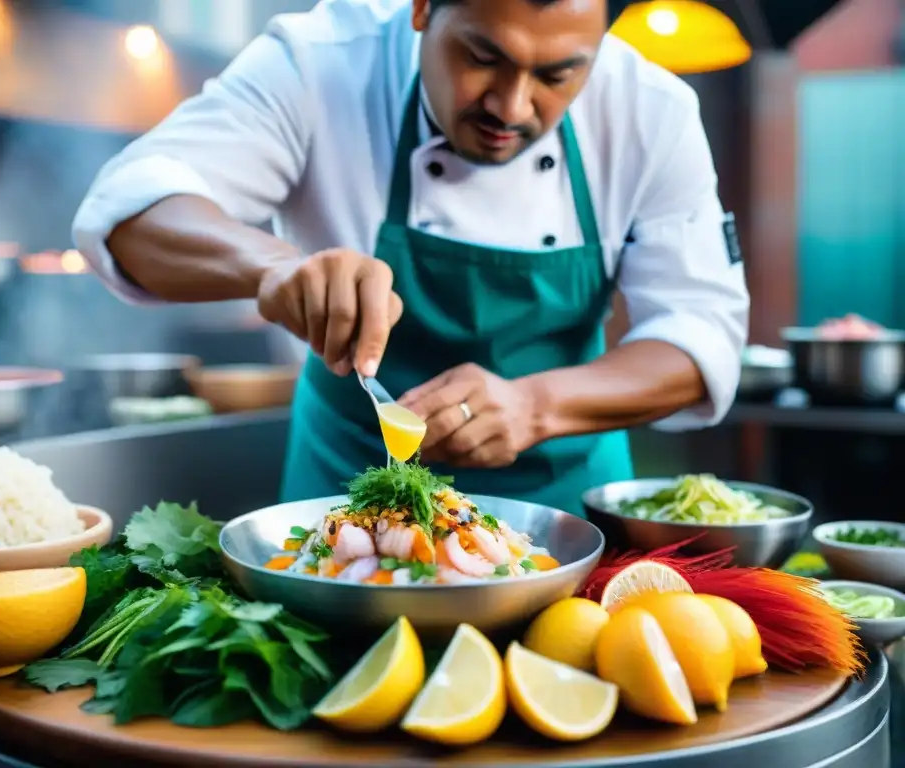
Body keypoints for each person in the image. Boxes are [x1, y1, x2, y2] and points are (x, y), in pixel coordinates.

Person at [73, 0, 749, 514]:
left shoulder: (653, 111)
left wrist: (536, 405)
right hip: (341, 511)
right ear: (423, 7)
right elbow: (130, 209)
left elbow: (702, 339)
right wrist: (272, 266)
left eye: (557, 74)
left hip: (565, 520)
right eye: (483, 56)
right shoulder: (319, 62)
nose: (511, 106)